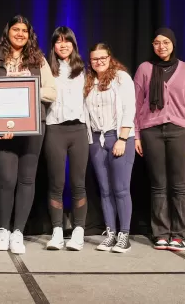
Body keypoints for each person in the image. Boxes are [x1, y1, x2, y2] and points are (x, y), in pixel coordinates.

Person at [0, 15, 56, 255]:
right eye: (16, 29)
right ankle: (3, 230)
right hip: (3, 130)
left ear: (29, 34)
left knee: (27, 180)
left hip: (33, 127)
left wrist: (29, 84)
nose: (20, 34)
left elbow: (52, 92)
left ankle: (18, 233)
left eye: (25, 30)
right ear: (8, 31)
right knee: (6, 180)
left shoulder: (39, 60)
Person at [134, 28, 185, 251]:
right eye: (156, 42)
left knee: (180, 184)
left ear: (173, 44)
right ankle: (161, 233)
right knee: (158, 185)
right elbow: (135, 103)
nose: (161, 46)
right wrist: (136, 135)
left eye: (165, 42)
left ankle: (181, 235)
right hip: (151, 131)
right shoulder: (145, 69)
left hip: (180, 131)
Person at [84, 43, 136, 253]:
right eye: (95, 59)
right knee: (105, 190)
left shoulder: (121, 78)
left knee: (121, 189)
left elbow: (129, 108)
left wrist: (122, 139)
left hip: (119, 136)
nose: (99, 61)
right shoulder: (89, 81)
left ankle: (124, 234)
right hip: (97, 139)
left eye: (102, 57)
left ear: (109, 57)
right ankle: (111, 232)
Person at [43, 27, 89, 251]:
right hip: (55, 130)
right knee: (56, 183)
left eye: (67, 41)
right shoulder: (46, 69)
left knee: (78, 183)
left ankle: (78, 231)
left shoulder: (83, 70)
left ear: (73, 44)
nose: (63, 45)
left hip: (79, 130)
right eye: (58, 41)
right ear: (53, 45)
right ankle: (57, 231)